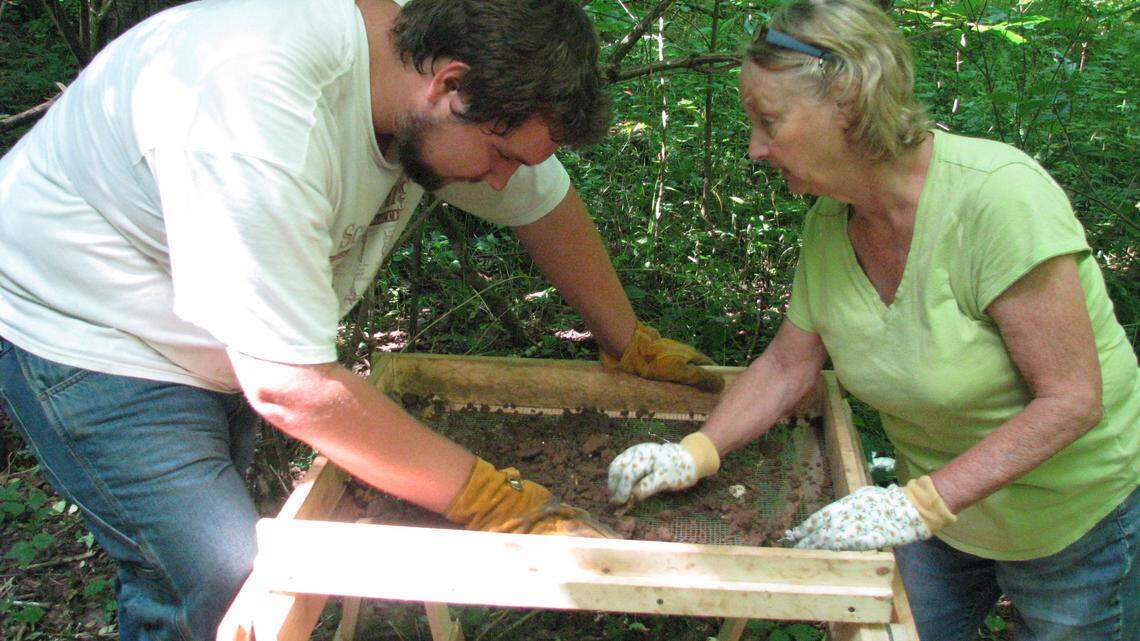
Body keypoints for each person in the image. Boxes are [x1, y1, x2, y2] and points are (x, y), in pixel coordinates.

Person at [0, 0, 725, 638]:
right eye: (501, 155)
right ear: (447, 85)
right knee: (220, 578)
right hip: (88, 323)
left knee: (209, 569)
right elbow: (286, 383)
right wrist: (494, 500)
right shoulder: (259, 105)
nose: (505, 177)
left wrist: (628, 341)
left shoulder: (421, 81)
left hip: (210, 328)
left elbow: (544, 204)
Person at [606, 0, 1139, 639]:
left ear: (851, 103)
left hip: (1071, 526)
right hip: (933, 518)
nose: (755, 149)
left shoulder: (998, 198)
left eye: (769, 121)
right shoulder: (830, 225)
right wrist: (695, 452)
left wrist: (921, 504)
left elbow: (1074, 399)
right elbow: (786, 364)